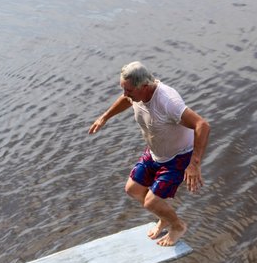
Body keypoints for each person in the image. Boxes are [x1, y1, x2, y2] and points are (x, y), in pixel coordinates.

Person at [88, 61, 210, 246]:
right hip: (156, 152)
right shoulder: (135, 94)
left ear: (144, 86)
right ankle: (165, 217)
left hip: (179, 156)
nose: (125, 95)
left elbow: (202, 125)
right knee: (133, 189)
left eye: (129, 91)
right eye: (123, 89)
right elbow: (125, 100)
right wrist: (104, 117)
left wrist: (194, 164)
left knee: (151, 202)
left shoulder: (168, 102)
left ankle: (178, 226)